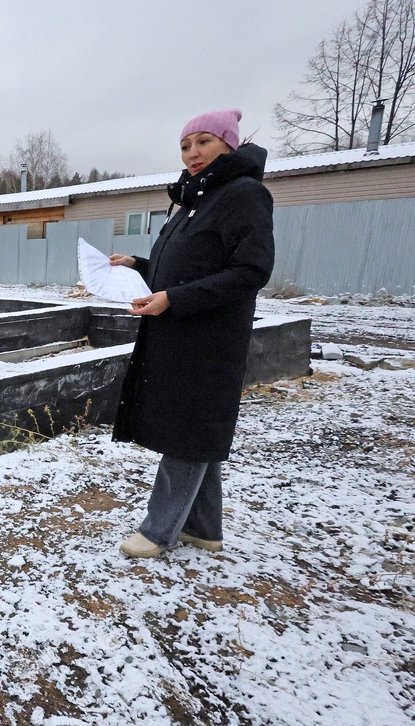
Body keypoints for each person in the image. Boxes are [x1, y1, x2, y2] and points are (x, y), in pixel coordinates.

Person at [110, 109, 275, 559]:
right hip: (179, 333)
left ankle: (158, 531)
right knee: (197, 431)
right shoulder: (195, 200)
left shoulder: (244, 194)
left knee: (190, 431)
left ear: (229, 144)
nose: (192, 153)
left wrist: (174, 299)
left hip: (210, 339)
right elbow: (185, 267)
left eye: (204, 142)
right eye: (185, 146)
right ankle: (203, 530)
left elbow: (251, 270)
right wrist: (138, 266)